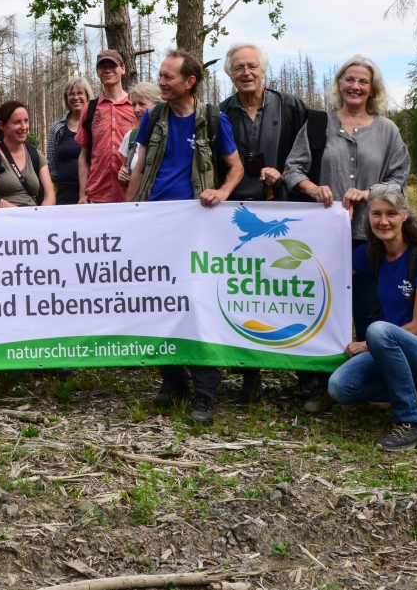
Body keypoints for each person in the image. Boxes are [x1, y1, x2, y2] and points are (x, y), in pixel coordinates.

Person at [283, 55, 411, 413]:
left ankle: (373, 385)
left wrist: (371, 192)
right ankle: (326, 385)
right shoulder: (318, 123)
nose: (355, 87)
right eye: (349, 80)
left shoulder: (387, 131)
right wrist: (313, 188)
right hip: (325, 235)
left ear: (373, 89)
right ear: (340, 83)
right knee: (326, 311)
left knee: (371, 311)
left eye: (363, 82)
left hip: (372, 235)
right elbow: (293, 169)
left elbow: (399, 178)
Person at [126, 49, 244, 423]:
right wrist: (126, 214)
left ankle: (205, 393)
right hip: (155, 224)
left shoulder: (213, 120)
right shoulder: (153, 117)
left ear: (189, 82)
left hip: (197, 227)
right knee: (157, 302)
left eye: (168, 77)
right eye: (160, 76)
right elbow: (139, 167)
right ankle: (173, 380)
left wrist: (223, 193)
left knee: (198, 305)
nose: (161, 82)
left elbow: (236, 167)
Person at [217, 43, 327, 407]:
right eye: (238, 68)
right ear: (229, 74)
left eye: (251, 66)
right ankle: (250, 376)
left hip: (285, 211)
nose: (245, 72)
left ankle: (308, 377)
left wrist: (287, 175)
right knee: (246, 291)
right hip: (239, 214)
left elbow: (313, 155)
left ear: (264, 70)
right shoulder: (221, 112)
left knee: (293, 290)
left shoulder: (292, 107)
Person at [327, 184, 417, 451]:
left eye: (391, 213)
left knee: (377, 331)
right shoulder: (372, 254)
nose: (383, 221)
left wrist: (365, 344)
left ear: (404, 215)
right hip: (389, 349)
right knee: (340, 387)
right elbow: (331, 276)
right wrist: (336, 226)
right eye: (376, 214)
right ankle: (405, 386)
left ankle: (412, 421)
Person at [77, 50, 138, 204]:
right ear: (97, 72)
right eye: (103, 67)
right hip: (97, 195)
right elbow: (84, 156)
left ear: (123, 68)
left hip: (133, 194)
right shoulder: (90, 109)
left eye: (113, 65)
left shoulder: (136, 106)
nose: (108, 70)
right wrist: (83, 194)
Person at [0, 100, 57, 208]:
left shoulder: (36, 155)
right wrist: (20, 216)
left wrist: (39, 216)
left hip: (34, 218)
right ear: (2, 126)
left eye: (26, 121)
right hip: (4, 219)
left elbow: (50, 195)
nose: (23, 127)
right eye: (17, 122)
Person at [47, 77, 93, 205]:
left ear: (88, 96)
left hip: (94, 192)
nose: (75, 97)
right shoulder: (58, 128)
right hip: (65, 193)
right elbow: (52, 164)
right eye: (71, 94)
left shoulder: (95, 125)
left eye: (80, 93)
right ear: (66, 98)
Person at [116, 81, 162, 184]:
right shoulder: (132, 136)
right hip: (139, 199)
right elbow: (125, 167)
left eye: (142, 104)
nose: (136, 110)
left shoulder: (173, 134)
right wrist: (122, 173)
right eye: (134, 105)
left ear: (158, 105)